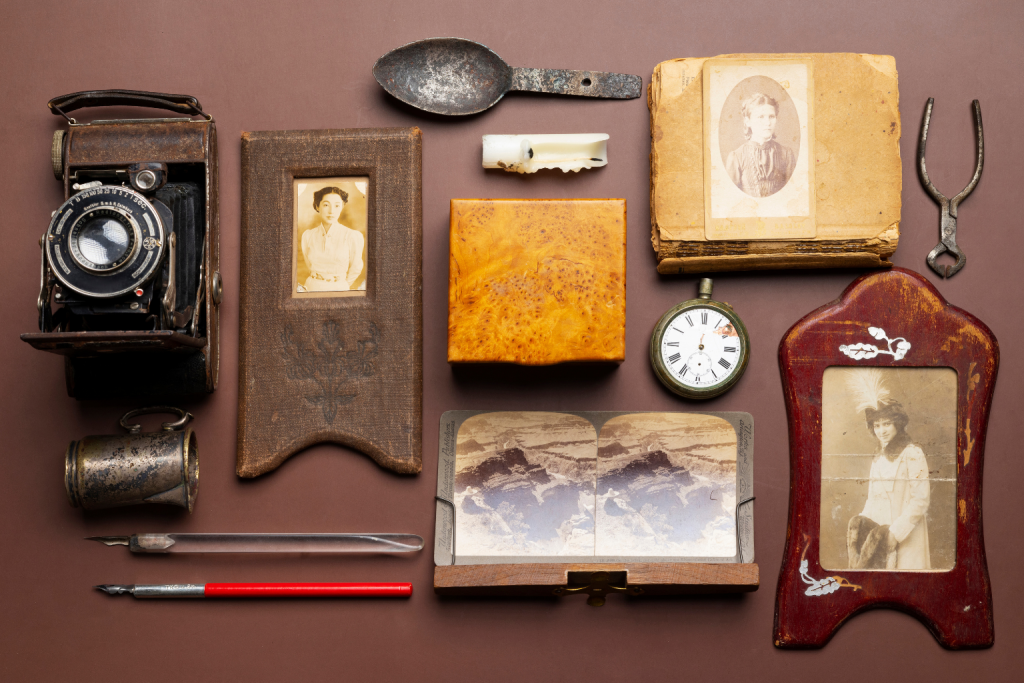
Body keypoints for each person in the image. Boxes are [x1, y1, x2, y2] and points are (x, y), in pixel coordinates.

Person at [846, 392, 931, 570]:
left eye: (887, 424)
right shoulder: (877, 457)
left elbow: (921, 499)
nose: (882, 431)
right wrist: (863, 527)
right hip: (880, 537)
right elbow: (872, 499)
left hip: (906, 536)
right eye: (877, 425)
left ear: (897, 424)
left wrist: (896, 533)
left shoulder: (912, 453)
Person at [726, 92, 796, 198]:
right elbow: (730, 199)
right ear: (748, 121)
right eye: (760, 117)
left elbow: (793, 196)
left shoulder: (786, 155)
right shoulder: (736, 157)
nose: (767, 122)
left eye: (771, 116)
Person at [299, 186, 364, 292]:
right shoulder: (308, 236)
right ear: (317, 206)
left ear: (342, 207)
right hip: (311, 288)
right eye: (326, 205)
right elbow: (309, 264)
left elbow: (356, 267)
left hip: (339, 289)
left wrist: (341, 285)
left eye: (337, 206)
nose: (331, 211)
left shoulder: (352, 236)